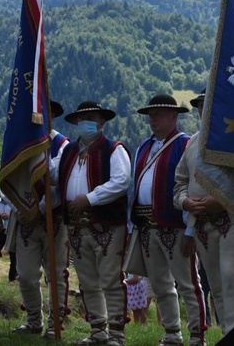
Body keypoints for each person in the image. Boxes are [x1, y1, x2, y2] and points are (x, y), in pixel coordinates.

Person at [174, 88, 234, 335]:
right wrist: (186, 202)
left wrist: (222, 200)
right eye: (199, 105)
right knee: (216, 284)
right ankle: (230, 334)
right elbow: (179, 182)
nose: (202, 109)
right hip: (201, 224)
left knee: (231, 277)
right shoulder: (192, 142)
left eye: (207, 104)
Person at [130, 94, 205, 346]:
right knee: (161, 284)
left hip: (175, 226)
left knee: (188, 283)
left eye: (159, 113)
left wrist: (190, 231)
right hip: (147, 227)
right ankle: (173, 333)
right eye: (151, 114)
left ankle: (197, 335)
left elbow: (192, 188)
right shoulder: (143, 146)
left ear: (174, 116)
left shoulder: (185, 144)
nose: (153, 118)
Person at [59, 101, 131, 346]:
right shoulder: (68, 152)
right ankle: (98, 331)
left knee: (111, 278)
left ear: (102, 122)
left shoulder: (114, 149)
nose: (85, 122)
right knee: (88, 280)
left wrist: (89, 199)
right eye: (81, 118)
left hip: (107, 224)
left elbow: (122, 181)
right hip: (76, 226)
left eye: (91, 117)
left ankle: (117, 334)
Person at [11, 100, 71, 339]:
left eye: (46, 113)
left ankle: (55, 322)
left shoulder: (61, 144)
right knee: (25, 274)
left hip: (53, 218)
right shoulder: (20, 143)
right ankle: (33, 320)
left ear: (53, 116)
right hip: (26, 218)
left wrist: (42, 206)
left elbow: (58, 180)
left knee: (55, 273)